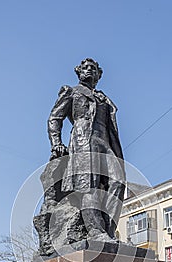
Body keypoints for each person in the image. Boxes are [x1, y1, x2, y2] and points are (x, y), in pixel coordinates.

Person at [47, 58, 125, 243]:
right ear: (79, 72)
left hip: (105, 143)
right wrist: (56, 142)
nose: (89, 70)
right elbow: (54, 118)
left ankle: (108, 230)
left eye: (93, 68)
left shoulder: (103, 98)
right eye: (85, 68)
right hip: (83, 141)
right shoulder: (71, 92)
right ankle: (96, 232)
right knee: (87, 186)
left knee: (118, 182)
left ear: (99, 75)